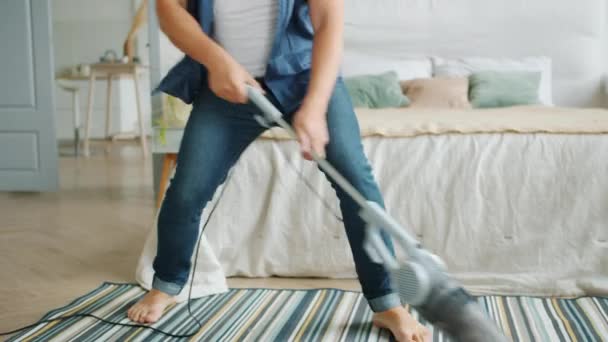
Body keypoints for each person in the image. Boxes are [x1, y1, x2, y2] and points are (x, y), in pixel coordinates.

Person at [127, 0, 430, 341]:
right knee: (187, 190)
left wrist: (314, 108)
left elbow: (329, 22)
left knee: (356, 184)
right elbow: (169, 9)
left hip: (304, 78)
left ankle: (387, 303)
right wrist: (217, 60)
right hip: (230, 86)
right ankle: (166, 284)